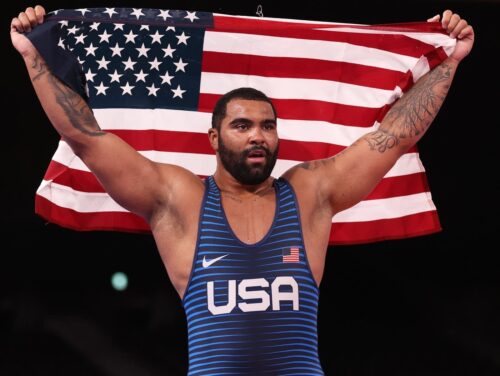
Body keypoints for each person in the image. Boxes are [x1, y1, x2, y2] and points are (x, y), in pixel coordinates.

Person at [11, 5, 474, 375]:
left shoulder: (309, 192)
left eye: (267, 126)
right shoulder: (180, 200)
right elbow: (87, 137)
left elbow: (394, 135)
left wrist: (449, 62)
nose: (258, 135)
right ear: (214, 139)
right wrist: (35, 57)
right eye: (242, 125)